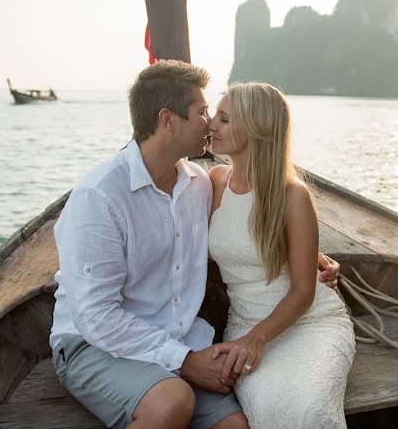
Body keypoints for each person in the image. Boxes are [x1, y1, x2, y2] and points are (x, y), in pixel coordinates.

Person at [49, 61, 340, 429]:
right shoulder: (100, 195)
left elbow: (250, 226)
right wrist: (186, 361)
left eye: (217, 115)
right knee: (173, 402)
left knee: (236, 426)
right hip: (93, 345)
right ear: (168, 120)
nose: (209, 123)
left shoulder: (199, 185)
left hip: (176, 338)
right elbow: (96, 317)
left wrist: (309, 256)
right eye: (203, 112)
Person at [207, 82, 356, 429]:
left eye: (224, 119)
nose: (211, 124)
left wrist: (255, 340)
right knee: (267, 402)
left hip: (310, 324)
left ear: (256, 129)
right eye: (214, 114)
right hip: (244, 325)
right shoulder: (214, 181)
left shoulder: (293, 195)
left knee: (311, 412)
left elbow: (304, 291)